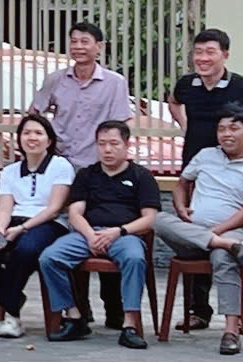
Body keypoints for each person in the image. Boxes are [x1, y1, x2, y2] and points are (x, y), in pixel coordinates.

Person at [31, 22, 135, 324]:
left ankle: (114, 309)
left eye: (85, 41)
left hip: (98, 168)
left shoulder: (114, 82)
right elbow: (35, 113)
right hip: (63, 168)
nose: (78, 46)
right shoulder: (55, 80)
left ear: (99, 47)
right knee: (71, 233)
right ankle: (79, 308)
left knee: (103, 227)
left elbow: (122, 124)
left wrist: (112, 153)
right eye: (73, 41)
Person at [152, 106, 243, 355]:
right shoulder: (206, 155)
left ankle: (231, 331)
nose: (226, 134)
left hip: (235, 233)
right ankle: (221, 244)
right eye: (221, 129)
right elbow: (182, 184)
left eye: (233, 128)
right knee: (157, 219)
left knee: (223, 256)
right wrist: (180, 207)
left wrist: (218, 231)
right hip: (193, 235)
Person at [166, 28, 243, 331]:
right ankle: (199, 310)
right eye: (198, 52)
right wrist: (185, 125)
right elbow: (173, 101)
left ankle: (239, 313)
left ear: (225, 55)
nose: (203, 58)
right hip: (197, 166)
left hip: (231, 168)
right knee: (195, 227)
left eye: (210, 52)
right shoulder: (187, 83)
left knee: (228, 234)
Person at [39, 120, 163, 346]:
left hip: (125, 235)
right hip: (88, 234)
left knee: (135, 259)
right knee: (49, 257)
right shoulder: (87, 175)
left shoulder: (141, 176)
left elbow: (149, 218)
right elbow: (75, 213)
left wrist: (118, 231)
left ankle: (130, 325)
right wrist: (90, 236)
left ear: (127, 145)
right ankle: (74, 316)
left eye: (114, 144)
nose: (107, 149)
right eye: (102, 143)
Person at [0, 112, 73, 334]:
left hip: (48, 225)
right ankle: (10, 299)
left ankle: (11, 314)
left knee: (25, 250)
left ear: (49, 140)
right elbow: (4, 207)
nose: (32, 138)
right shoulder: (10, 171)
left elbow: (54, 209)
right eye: (26, 133)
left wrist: (22, 228)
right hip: (14, 224)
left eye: (38, 133)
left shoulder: (60, 166)